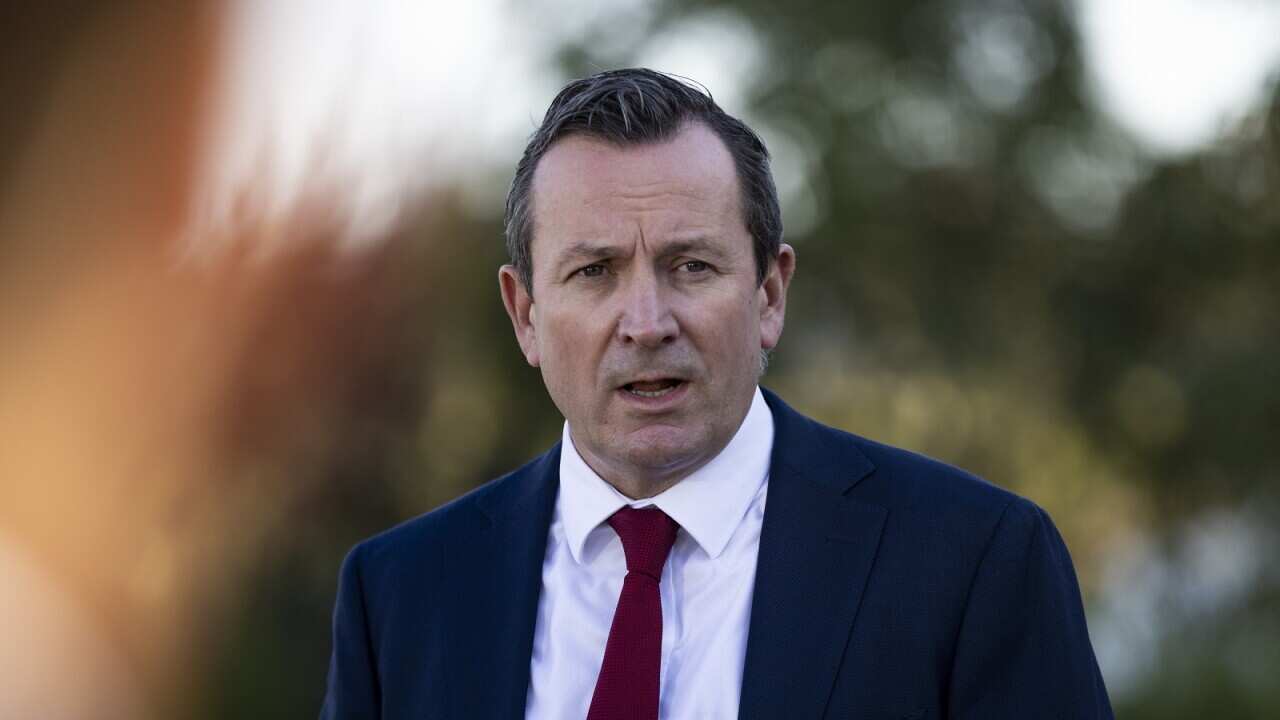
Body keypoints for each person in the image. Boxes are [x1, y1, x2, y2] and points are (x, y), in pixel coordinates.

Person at [319, 68, 1114, 719]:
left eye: (691, 266)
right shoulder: (400, 594)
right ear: (525, 315)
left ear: (769, 294)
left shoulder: (976, 563)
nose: (646, 323)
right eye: (594, 272)